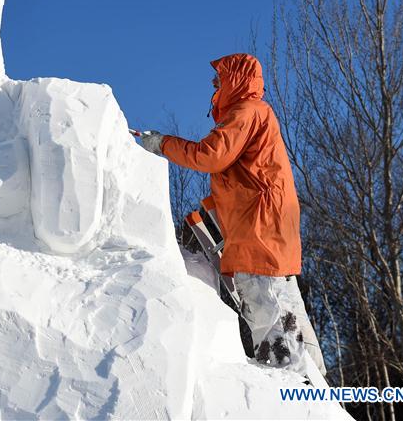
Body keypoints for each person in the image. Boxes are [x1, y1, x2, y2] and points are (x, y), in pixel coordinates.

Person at [137, 53, 327, 378]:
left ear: (235, 80)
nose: (213, 86)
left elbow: (210, 156)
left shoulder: (246, 112)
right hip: (267, 233)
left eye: (218, 79)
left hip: (260, 236)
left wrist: (162, 144)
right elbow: (239, 181)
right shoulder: (253, 115)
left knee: (269, 314)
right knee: (288, 312)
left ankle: (292, 391)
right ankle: (317, 392)